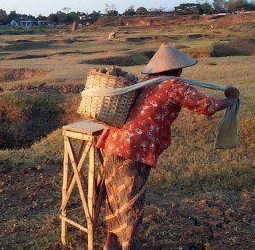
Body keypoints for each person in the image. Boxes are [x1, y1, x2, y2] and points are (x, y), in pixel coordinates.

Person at [97, 43, 240, 250]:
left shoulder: (145, 82)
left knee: (115, 200)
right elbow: (207, 106)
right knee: (130, 205)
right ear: (177, 69)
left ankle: (111, 245)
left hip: (113, 142)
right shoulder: (174, 85)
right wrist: (231, 99)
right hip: (135, 149)